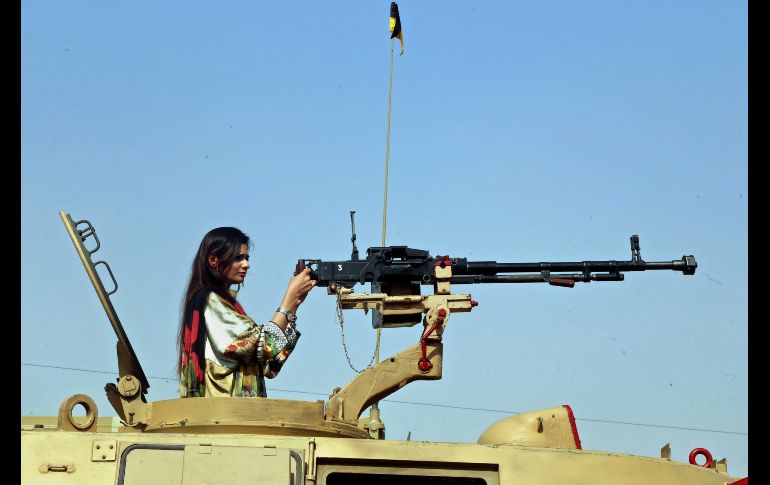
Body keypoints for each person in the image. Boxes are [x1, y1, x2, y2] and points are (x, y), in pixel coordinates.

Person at [177, 227, 315, 398]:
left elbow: (270, 366)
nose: (246, 264)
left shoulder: (227, 306)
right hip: (227, 416)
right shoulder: (210, 301)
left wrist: (294, 305)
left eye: (247, 257)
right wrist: (288, 300)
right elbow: (265, 346)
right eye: (238, 258)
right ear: (213, 260)